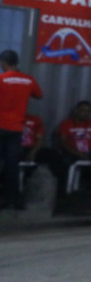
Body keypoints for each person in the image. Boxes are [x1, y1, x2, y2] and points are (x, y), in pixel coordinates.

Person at [1, 50, 43, 210]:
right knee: (12, 164)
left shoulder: (1, 79)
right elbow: (39, 95)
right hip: (16, 128)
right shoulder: (28, 80)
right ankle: (12, 199)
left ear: (4, 62)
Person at [57, 101, 91, 193]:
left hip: (90, 150)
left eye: (88, 111)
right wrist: (77, 153)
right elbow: (63, 142)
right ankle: (63, 190)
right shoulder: (66, 124)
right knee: (63, 162)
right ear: (76, 111)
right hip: (72, 151)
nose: (85, 113)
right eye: (83, 110)